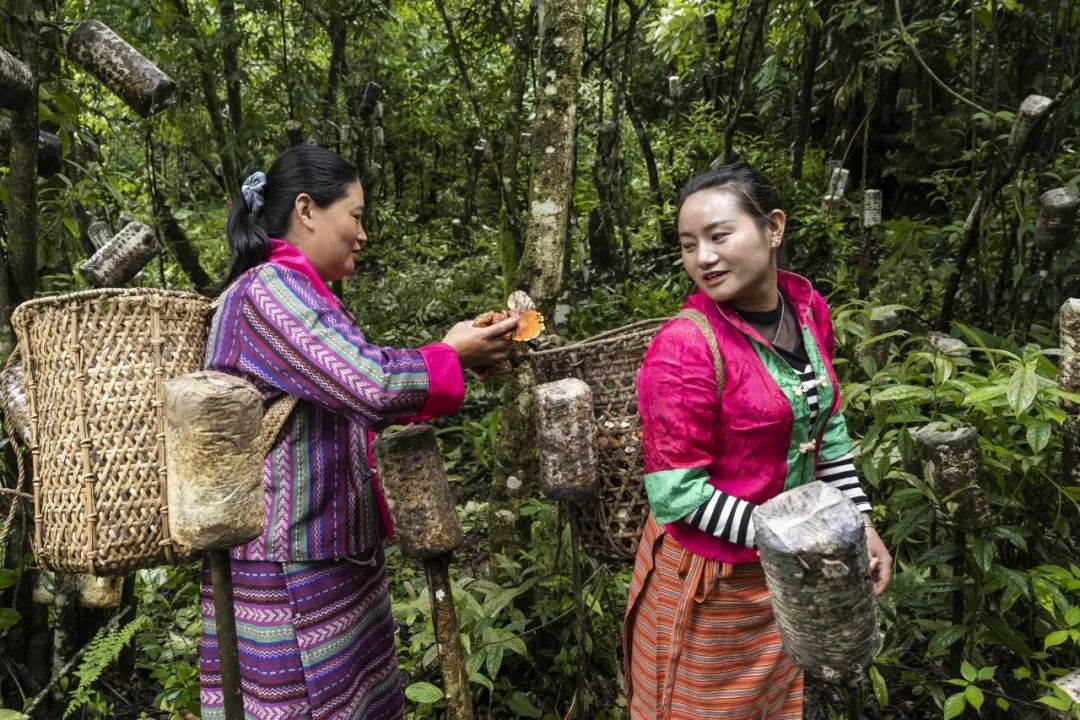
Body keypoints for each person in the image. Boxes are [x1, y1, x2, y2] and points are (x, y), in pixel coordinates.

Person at [199, 145, 518, 720]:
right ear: (307, 210)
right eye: (357, 215)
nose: (363, 233)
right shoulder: (267, 292)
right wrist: (452, 354)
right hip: (286, 568)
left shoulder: (298, 291)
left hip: (329, 558)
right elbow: (370, 383)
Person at [623, 162, 892, 719]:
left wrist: (859, 523)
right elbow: (678, 495)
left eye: (720, 236)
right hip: (712, 584)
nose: (703, 258)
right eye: (689, 244)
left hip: (788, 578)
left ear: (773, 227)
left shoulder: (807, 310)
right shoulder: (684, 348)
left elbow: (826, 434)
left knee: (774, 706)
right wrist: (802, 547)